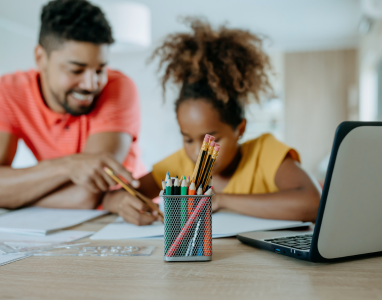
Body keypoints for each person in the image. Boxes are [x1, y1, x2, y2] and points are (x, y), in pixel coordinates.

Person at [103, 18, 321, 225]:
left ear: (240, 129)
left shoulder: (265, 154)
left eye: (212, 139)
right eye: (187, 139)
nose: (198, 152)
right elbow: (112, 198)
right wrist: (120, 202)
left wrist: (219, 200)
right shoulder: (178, 167)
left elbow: (313, 203)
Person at [0, 0, 145, 209]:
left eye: (99, 70)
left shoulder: (119, 88)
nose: (91, 84)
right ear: (41, 58)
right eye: (76, 70)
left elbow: (86, 196)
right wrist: (68, 166)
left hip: (123, 217)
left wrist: (16, 197)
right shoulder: (8, 91)